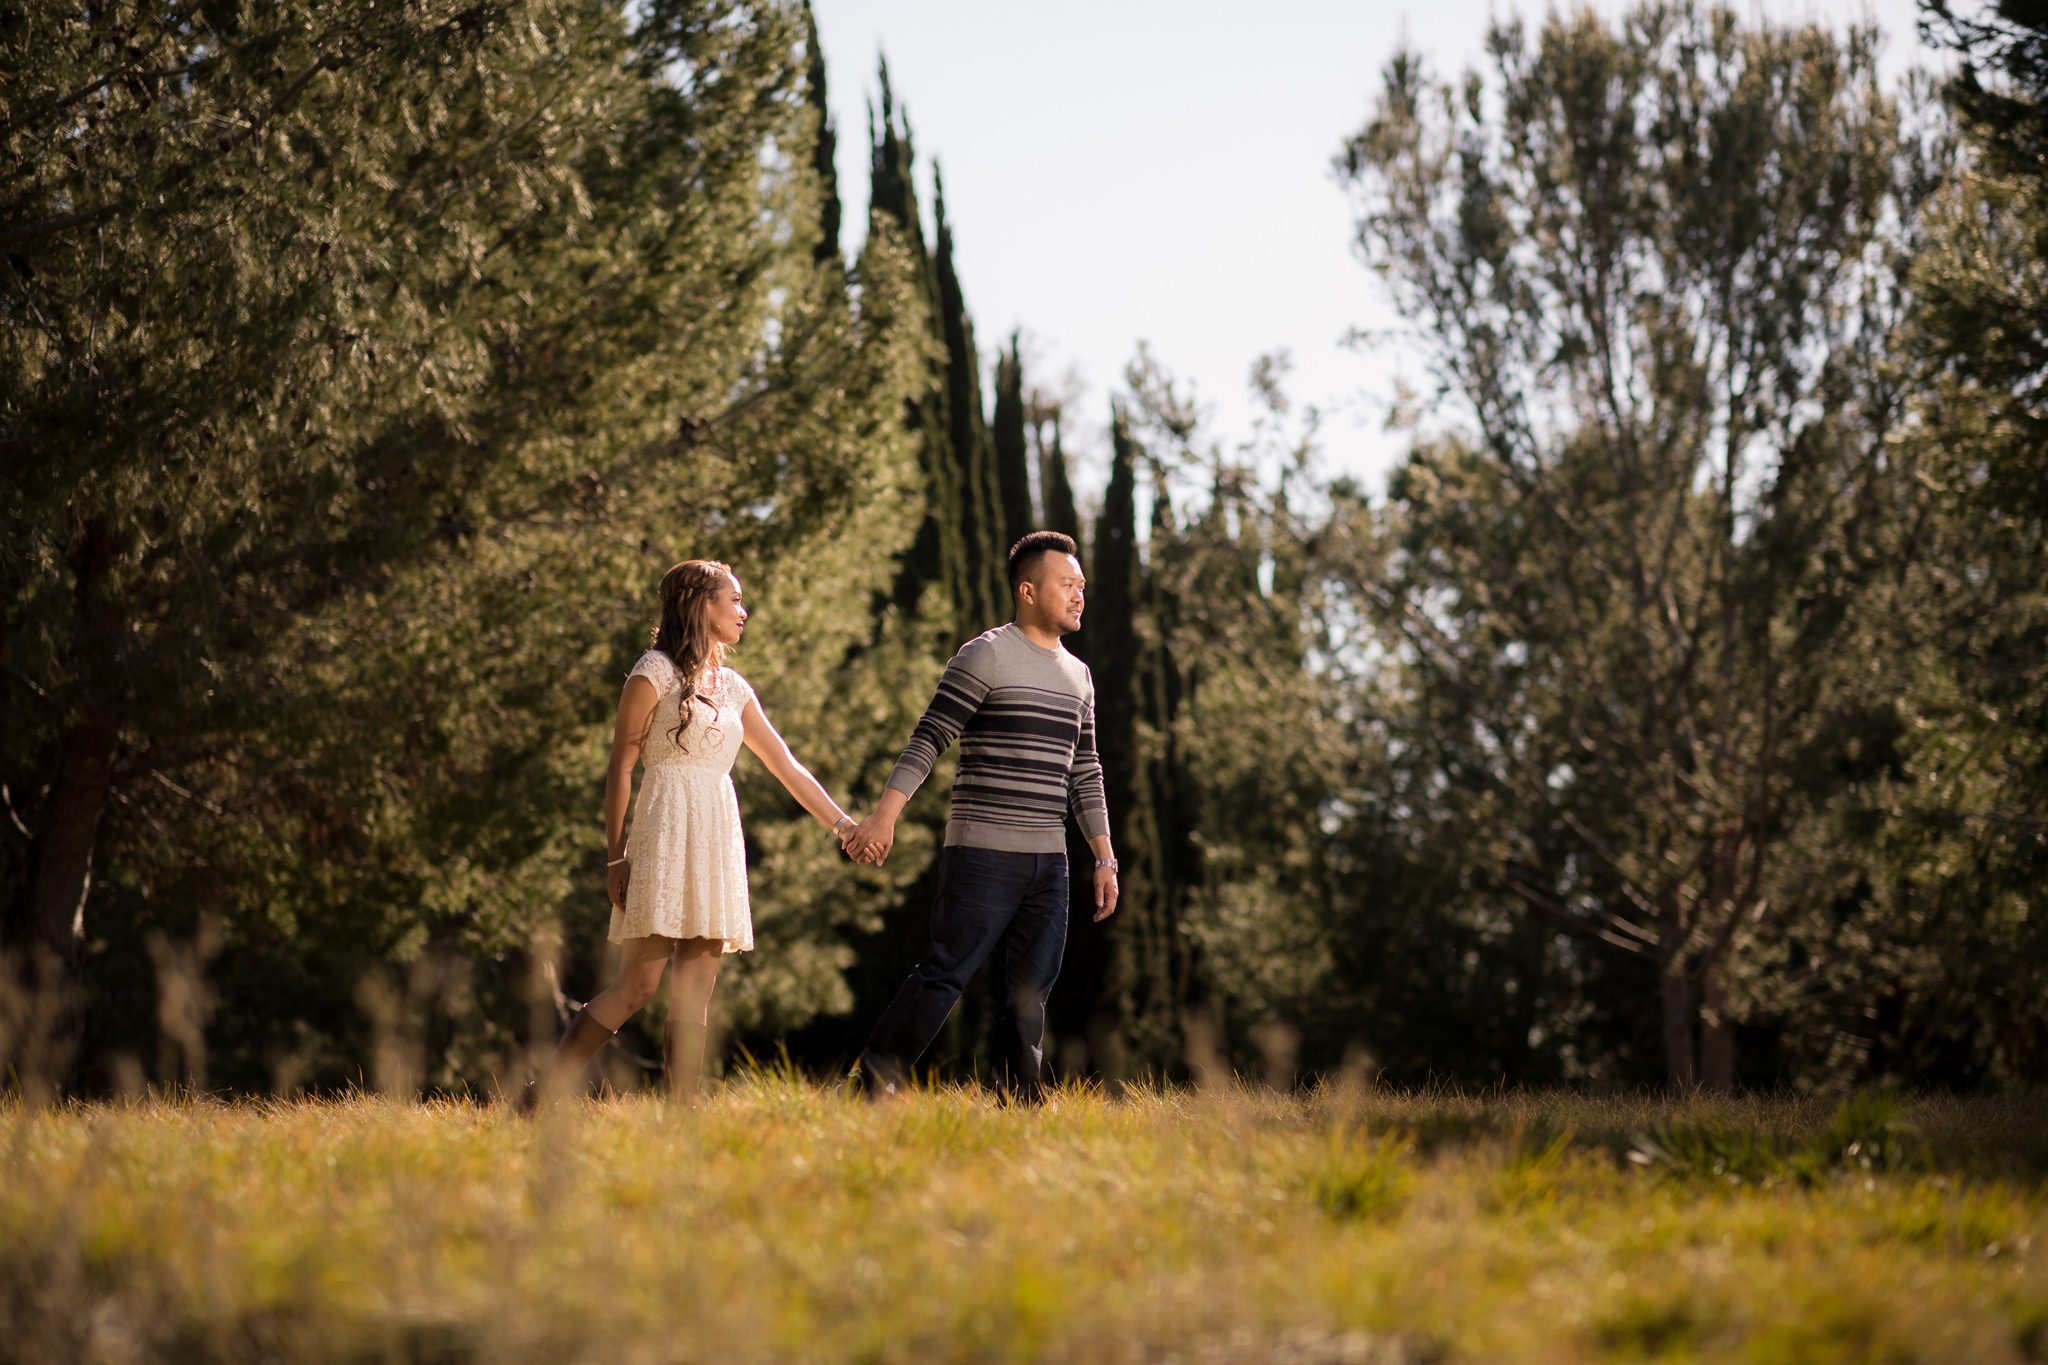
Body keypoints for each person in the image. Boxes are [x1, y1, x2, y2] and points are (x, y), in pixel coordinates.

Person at [523, 559, 859, 1107]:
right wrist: (615, 857)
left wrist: (844, 826)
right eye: (735, 599)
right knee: (637, 986)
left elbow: (787, 767)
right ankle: (543, 1095)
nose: (744, 612)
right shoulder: (652, 670)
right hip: (663, 826)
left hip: (717, 831)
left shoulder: (733, 687)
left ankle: (681, 1116)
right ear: (703, 604)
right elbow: (621, 767)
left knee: (696, 992)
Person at [843, 530, 1119, 1101]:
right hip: (983, 854)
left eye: (1081, 586)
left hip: (1050, 863)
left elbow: (1085, 771)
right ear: (1027, 590)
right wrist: (884, 816)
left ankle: (1019, 1099)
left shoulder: (1080, 677)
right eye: (1066, 584)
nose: (1078, 595)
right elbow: (929, 739)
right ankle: (869, 1087)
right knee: (945, 974)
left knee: (1029, 993)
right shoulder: (985, 655)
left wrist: (1104, 858)